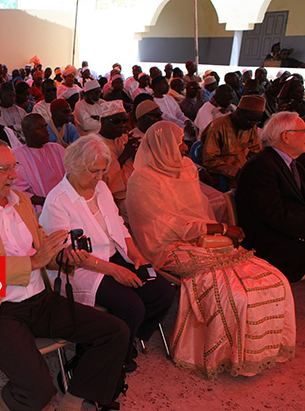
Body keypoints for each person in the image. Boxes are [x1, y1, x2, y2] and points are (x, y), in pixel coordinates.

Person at [0, 138, 128, 411]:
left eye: (14, 166)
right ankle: (6, 400)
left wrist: (61, 257)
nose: (13, 176)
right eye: (3, 169)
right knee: (39, 388)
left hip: (39, 299)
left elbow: (42, 247)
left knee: (115, 332)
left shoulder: (22, 201)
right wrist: (33, 261)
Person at [126, 121, 295, 380]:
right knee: (233, 291)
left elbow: (198, 210)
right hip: (166, 246)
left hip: (203, 237)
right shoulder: (142, 179)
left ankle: (258, 351)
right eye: (179, 141)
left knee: (272, 278)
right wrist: (219, 229)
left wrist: (215, 230)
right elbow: (165, 226)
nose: (185, 146)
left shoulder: (185, 168)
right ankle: (223, 354)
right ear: (163, 146)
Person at [39, 135, 174, 371]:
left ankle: (128, 338)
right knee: (132, 305)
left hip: (114, 254)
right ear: (73, 166)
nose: (100, 177)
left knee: (161, 292)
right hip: (82, 268)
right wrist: (116, 271)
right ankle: (115, 353)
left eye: (103, 170)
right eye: (94, 171)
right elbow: (68, 253)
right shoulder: (57, 200)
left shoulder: (101, 188)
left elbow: (118, 224)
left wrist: (134, 254)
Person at [236, 112, 305, 282]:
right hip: (274, 245)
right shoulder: (261, 167)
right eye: (303, 131)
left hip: (292, 234)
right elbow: (275, 216)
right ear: (286, 136)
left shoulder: (292, 163)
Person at [201, 95, 264, 187]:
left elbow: (254, 152)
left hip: (245, 172)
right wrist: (236, 172)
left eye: (257, 122)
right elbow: (209, 161)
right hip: (224, 176)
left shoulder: (250, 127)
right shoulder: (217, 127)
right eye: (251, 121)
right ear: (239, 113)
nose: (253, 125)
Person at [12, 113, 66, 214]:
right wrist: (47, 201)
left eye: (45, 126)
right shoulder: (16, 155)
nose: (46, 131)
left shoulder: (57, 149)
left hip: (65, 203)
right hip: (38, 210)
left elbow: (72, 175)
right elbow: (17, 191)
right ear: (27, 132)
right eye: (39, 128)